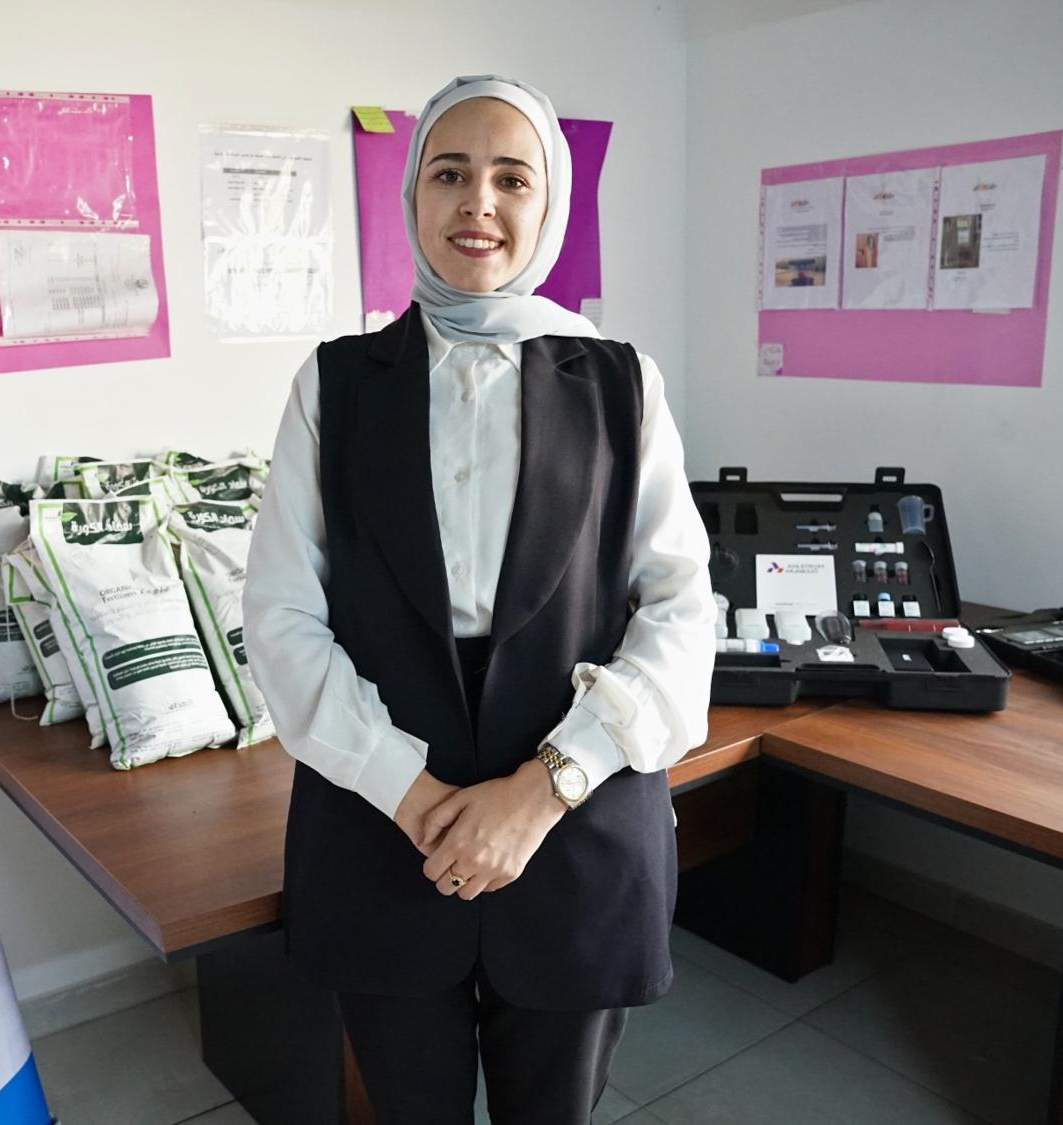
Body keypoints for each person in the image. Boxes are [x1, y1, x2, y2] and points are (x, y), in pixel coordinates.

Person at [243, 74, 716, 1123]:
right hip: (380, 821)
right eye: (448, 173)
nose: (478, 204)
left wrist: (541, 791)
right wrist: (415, 801)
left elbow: (680, 612)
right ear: (410, 196)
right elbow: (280, 617)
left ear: (548, 207)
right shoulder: (336, 384)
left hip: (572, 820)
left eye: (512, 177)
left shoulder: (619, 382)